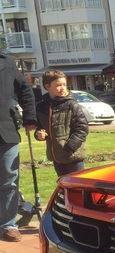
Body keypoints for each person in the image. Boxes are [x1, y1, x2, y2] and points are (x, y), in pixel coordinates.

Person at [0, 54, 37, 242]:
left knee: (9, 180)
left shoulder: (7, 62)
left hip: (5, 131)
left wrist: (30, 117)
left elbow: (25, 89)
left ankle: (8, 225)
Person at [34, 69, 89, 177]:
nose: (63, 88)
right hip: (56, 156)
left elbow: (82, 128)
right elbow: (40, 127)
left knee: (78, 187)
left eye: (64, 84)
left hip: (73, 156)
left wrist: (69, 147)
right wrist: (38, 134)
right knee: (64, 186)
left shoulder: (71, 105)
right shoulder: (42, 107)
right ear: (47, 86)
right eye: (58, 85)